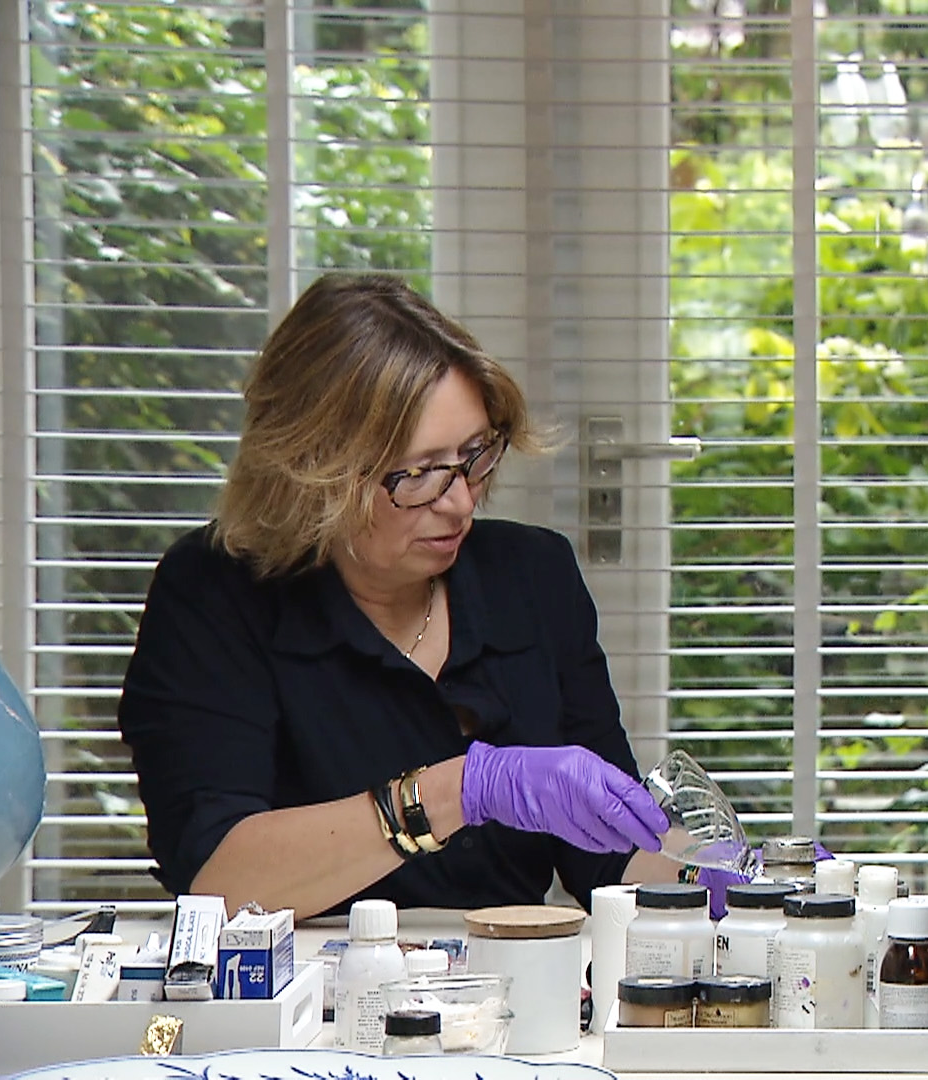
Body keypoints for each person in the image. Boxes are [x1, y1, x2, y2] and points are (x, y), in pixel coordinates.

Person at [118, 274, 683, 920]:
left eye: (474, 456)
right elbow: (217, 880)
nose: (461, 502)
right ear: (314, 474)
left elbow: (608, 858)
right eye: (418, 474)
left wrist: (722, 874)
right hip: (309, 979)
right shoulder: (213, 593)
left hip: (503, 977)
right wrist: (458, 791)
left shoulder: (533, 576)